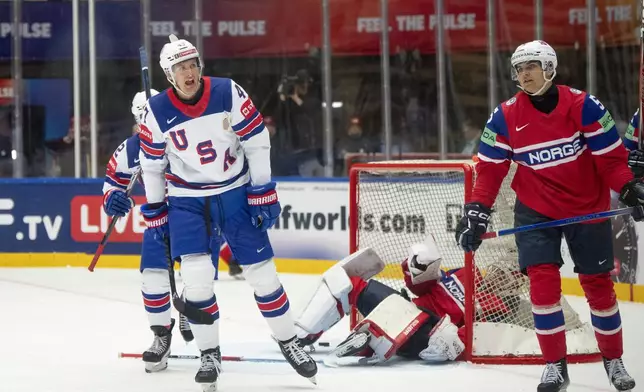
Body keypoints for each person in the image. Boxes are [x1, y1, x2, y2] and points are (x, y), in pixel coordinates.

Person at [454, 40, 641, 392]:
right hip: (536, 210)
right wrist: (476, 210)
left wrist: (629, 188)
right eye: (518, 69)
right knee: (542, 287)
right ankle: (555, 365)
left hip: (586, 207)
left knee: (598, 286)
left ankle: (613, 360)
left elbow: (612, 161)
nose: (523, 74)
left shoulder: (584, 106)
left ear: (550, 68)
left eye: (531, 66)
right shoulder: (505, 116)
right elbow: (490, 172)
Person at [137, 34, 317, 390]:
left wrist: (262, 188)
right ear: (168, 75)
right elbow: (152, 166)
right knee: (197, 276)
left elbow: (256, 140)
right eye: (180, 68)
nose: (188, 73)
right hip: (188, 201)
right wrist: (156, 208)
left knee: (263, 274)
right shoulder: (156, 111)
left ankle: (289, 342)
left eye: (192, 65)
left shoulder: (227, 92)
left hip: (234, 193)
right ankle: (209, 354)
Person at [294, 237, 522, 365]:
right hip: (406, 310)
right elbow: (421, 286)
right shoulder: (466, 273)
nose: (500, 275)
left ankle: (371, 338)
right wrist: (415, 267)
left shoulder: (497, 308)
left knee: (423, 323)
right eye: (500, 269)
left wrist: (451, 341)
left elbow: (476, 336)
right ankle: (305, 335)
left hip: (426, 332)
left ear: (513, 287)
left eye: (508, 275)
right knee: (350, 282)